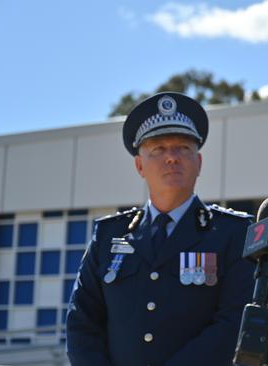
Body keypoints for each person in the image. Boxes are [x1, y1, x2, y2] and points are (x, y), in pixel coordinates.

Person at [66, 92, 255, 366]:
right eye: (158, 149)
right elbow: (82, 323)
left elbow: (234, 322)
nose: (172, 158)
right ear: (140, 165)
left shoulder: (232, 233)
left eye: (183, 148)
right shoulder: (109, 236)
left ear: (199, 163)